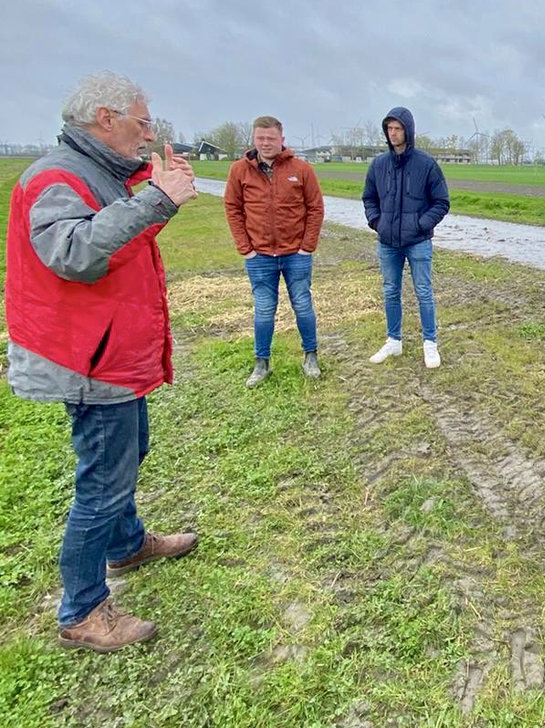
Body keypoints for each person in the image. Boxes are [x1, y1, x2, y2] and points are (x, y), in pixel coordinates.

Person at [4, 72, 199, 652]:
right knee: (102, 484)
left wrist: (157, 199)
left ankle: (127, 544)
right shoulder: (56, 177)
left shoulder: (101, 174)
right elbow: (74, 253)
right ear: (105, 118)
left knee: (128, 453)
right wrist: (157, 198)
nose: (149, 133)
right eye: (142, 122)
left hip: (111, 348)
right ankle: (82, 609)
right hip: (89, 354)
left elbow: (118, 241)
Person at [224, 116, 325, 387]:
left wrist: (307, 247)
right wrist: (245, 248)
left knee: (303, 305)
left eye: (271, 138)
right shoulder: (239, 171)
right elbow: (233, 209)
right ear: (254, 139)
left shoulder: (301, 169)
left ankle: (311, 356)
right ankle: (262, 363)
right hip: (259, 256)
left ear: (281, 139)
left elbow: (315, 208)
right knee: (264, 310)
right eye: (261, 138)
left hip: (296, 255)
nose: (266, 143)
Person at [362, 107, 450, 369]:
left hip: (418, 241)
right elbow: (369, 198)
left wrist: (420, 224)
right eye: (389, 128)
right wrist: (378, 222)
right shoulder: (378, 165)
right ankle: (394, 340)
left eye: (397, 128)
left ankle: (430, 343)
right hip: (387, 242)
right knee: (390, 291)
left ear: (408, 131)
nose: (393, 133)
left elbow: (441, 202)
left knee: (423, 291)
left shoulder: (426, 164)